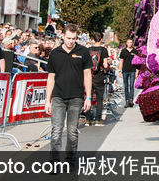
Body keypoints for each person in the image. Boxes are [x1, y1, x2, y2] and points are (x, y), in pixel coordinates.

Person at [44, 24, 92, 164]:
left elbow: (87, 75)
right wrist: (48, 100)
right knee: (56, 130)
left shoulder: (83, 52)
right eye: (68, 38)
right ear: (63, 36)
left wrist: (88, 96)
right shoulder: (55, 53)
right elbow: (51, 78)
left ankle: (70, 159)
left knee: (72, 132)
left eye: (74, 38)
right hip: (58, 97)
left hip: (76, 97)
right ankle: (54, 161)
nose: (71, 41)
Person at [87, 32, 110, 126]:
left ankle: (88, 119)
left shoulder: (88, 50)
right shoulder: (104, 50)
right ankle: (98, 119)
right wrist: (107, 68)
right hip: (99, 76)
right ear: (101, 39)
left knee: (89, 97)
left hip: (89, 76)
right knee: (100, 98)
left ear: (93, 40)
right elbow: (105, 64)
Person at [119, 38, 140, 107]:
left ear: (132, 43)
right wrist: (119, 70)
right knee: (126, 86)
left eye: (131, 42)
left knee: (131, 86)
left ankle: (131, 100)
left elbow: (137, 62)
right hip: (125, 70)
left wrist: (137, 71)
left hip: (132, 70)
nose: (130, 44)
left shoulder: (135, 51)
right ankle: (127, 100)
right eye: (128, 42)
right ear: (126, 43)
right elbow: (121, 61)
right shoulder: (123, 51)